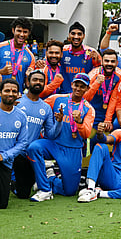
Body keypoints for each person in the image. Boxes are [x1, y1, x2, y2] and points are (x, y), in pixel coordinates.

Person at [27, 73, 95, 201]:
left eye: (82, 86)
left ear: (87, 89)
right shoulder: (57, 98)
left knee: (69, 191)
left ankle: (50, 177)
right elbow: (39, 106)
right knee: (34, 148)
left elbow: (86, 134)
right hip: (54, 144)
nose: (78, 89)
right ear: (72, 85)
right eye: (76, 85)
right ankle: (44, 189)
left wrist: (79, 122)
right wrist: (24, 100)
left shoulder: (89, 109)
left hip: (72, 149)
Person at [13, 71, 61, 199]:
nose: (38, 83)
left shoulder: (45, 108)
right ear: (28, 82)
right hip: (11, 152)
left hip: (26, 156)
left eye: (41, 81)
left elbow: (50, 135)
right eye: (35, 80)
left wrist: (59, 122)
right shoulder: (17, 101)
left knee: (23, 194)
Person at [84, 49, 121, 150]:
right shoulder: (93, 74)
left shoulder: (120, 76)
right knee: (90, 137)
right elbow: (85, 98)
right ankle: (86, 159)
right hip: (93, 111)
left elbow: (115, 99)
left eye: (112, 61)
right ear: (102, 62)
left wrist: (108, 120)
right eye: (106, 61)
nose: (109, 64)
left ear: (117, 63)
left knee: (114, 133)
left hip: (110, 112)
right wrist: (96, 84)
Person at [0, 79, 29, 208]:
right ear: (0, 93)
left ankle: (10, 184)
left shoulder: (21, 116)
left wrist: (4, 156)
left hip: (5, 162)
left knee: (2, 204)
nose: (10, 94)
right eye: (7, 90)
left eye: (14, 91)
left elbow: (23, 143)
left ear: (18, 94)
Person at [60, 22, 101, 93]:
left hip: (83, 96)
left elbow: (101, 70)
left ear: (84, 36)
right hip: (64, 95)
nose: (76, 37)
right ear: (69, 35)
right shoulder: (62, 51)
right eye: (73, 33)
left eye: (79, 34)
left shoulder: (92, 52)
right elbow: (49, 63)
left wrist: (97, 61)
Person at [0, 17, 35, 92]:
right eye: (19, 31)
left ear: (29, 33)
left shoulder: (30, 56)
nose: (22, 34)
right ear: (13, 30)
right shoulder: (1, 47)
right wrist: (1, 71)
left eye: (25, 32)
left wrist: (29, 77)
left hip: (18, 97)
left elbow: (28, 85)